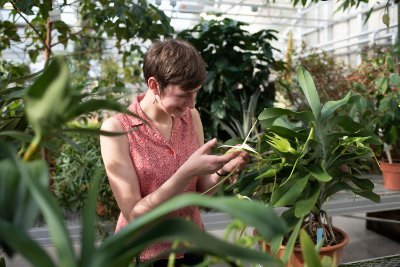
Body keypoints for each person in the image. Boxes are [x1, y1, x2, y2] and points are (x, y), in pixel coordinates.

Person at [99, 38, 248, 266]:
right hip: (147, 252)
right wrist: (185, 173)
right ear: (154, 85)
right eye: (183, 94)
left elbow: (198, 195)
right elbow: (135, 215)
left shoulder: (191, 118)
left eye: (195, 93)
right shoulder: (118, 130)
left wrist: (222, 171)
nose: (191, 103)